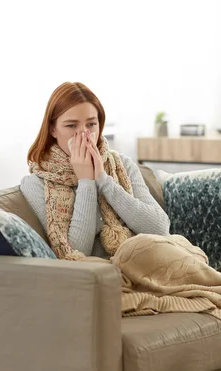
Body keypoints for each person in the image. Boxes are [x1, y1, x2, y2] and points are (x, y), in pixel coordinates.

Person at [21, 82, 170, 260]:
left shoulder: (122, 164)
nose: (83, 134)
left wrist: (103, 180)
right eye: (71, 126)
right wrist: (86, 182)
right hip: (105, 278)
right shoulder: (35, 183)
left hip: (148, 260)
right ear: (53, 129)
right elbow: (77, 254)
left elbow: (161, 229)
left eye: (91, 124)